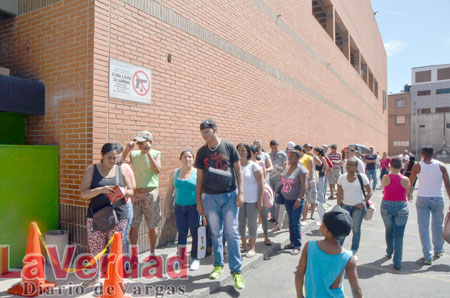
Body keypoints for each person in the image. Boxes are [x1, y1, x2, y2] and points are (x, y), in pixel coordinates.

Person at [195, 119, 245, 289]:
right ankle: (218, 265)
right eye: (202, 132)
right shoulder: (201, 152)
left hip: (230, 195)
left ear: (215, 129)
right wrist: (198, 201)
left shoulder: (229, 147)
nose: (204, 135)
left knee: (232, 233)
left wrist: (241, 193)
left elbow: (238, 171)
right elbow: (199, 178)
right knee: (215, 234)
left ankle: (237, 271)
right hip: (209, 198)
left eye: (206, 131)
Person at [80, 143, 134, 287]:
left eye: (115, 158)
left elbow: (131, 191)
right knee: (96, 247)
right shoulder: (92, 170)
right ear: (102, 156)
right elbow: (83, 194)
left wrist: (122, 192)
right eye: (109, 157)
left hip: (119, 215)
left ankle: (115, 278)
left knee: (116, 248)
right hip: (97, 215)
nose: (112, 161)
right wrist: (101, 189)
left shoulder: (121, 170)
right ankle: (95, 276)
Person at [295, 206, 362, 298]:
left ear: (327, 230)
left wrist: (299, 295)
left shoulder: (310, 246)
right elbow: (357, 290)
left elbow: (299, 274)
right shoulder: (348, 258)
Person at [122, 131, 162, 261]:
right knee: (134, 225)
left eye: (142, 142)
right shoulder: (134, 154)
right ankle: (134, 255)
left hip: (150, 193)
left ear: (149, 142)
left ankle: (152, 253)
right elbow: (121, 163)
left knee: (152, 225)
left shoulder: (156, 153)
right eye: (138, 143)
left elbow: (157, 170)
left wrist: (148, 153)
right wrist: (126, 150)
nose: (139, 145)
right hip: (136, 193)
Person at [407, 146, 450, 265]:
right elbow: (447, 184)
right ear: (434, 153)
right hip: (438, 198)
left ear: (422, 153)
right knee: (438, 225)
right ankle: (438, 250)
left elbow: (411, 181)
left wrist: (409, 194)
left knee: (423, 228)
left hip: (422, 198)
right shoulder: (441, 166)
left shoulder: (418, 166)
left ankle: (427, 256)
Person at [164, 149, 200, 271]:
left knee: (195, 233)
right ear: (180, 159)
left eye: (190, 157)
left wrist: (202, 209)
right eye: (185, 157)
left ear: (193, 159)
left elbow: (202, 192)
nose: (187, 159)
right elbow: (169, 190)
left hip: (194, 208)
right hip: (179, 207)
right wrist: (166, 207)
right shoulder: (175, 173)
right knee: (182, 232)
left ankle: (195, 258)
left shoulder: (197, 173)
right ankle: (181, 258)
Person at [337, 158, 372, 261]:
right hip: (345, 207)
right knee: (343, 229)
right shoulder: (342, 178)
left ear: (356, 167)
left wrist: (363, 202)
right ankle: (338, 250)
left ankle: (354, 251)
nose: (348, 167)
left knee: (356, 230)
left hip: (358, 208)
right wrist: (338, 206)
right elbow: (339, 194)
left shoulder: (362, 177)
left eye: (351, 165)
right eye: (347, 164)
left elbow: (369, 192)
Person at [380, 156, 411, 270]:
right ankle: (397, 262)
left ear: (390, 165)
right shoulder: (405, 179)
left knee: (389, 230)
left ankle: (389, 251)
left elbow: (384, 187)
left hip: (386, 205)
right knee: (399, 235)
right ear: (401, 166)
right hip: (401, 205)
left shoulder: (385, 177)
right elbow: (407, 191)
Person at [236, 143, 264, 258]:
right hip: (239, 200)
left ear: (247, 152)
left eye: (243, 150)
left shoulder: (254, 166)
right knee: (241, 223)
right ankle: (243, 245)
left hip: (252, 200)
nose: (241, 152)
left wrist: (260, 200)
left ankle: (252, 247)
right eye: (239, 150)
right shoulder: (235, 166)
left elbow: (260, 183)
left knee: (252, 223)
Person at [280, 149, 307, 255]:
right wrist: (281, 178)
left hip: (296, 200)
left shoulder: (301, 170)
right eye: (289, 156)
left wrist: (299, 199)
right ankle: (292, 242)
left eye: (292, 157)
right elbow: (285, 181)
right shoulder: (287, 168)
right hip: (287, 199)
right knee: (290, 222)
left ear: (298, 157)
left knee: (295, 223)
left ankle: (297, 245)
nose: (290, 158)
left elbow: (303, 186)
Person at [116, 143, 136, 257]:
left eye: (117, 155)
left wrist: (121, 191)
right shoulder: (107, 168)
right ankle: (114, 263)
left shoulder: (125, 167)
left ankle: (124, 263)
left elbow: (133, 186)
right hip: (110, 207)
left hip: (125, 205)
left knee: (123, 236)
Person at [249, 145, 272, 246]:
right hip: (249, 195)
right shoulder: (244, 164)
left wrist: (261, 196)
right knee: (250, 218)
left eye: (249, 152)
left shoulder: (260, 163)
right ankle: (251, 239)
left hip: (259, 193)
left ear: (255, 153)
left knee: (263, 215)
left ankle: (266, 237)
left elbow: (263, 180)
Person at [268, 140, 287, 226]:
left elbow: (286, 167)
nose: (274, 149)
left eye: (275, 147)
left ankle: (278, 218)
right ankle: (273, 216)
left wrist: (281, 169)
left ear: (278, 145)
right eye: (272, 147)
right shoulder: (268, 154)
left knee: (278, 197)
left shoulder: (283, 154)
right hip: (270, 178)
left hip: (279, 178)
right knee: (271, 197)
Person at [299, 145, 317, 225]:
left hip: (308, 181)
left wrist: (310, 182)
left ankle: (308, 216)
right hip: (299, 182)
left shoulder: (308, 158)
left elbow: (311, 171)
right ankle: (302, 217)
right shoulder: (295, 158)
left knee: (310, 199)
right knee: (303, 199)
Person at [314, 147, 329, 219]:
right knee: (315, 191)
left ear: (318, 152)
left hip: (320, 176)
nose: (314, 152)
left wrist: (325, 173)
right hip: (315, 175)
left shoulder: (322, 158)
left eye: (315, 151)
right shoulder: (314, 157)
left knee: (320, 191)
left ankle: (322, 204)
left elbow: (327, 167)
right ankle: (317, 204)